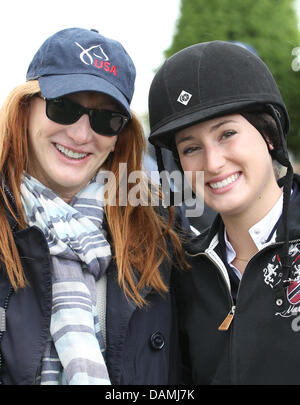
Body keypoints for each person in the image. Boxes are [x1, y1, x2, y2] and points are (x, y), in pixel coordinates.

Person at [0, 27, 186, 385]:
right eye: (64, 107)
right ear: (25, 109)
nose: (82, 135)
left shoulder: (161, 234)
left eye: (106, 119)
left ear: (119, 137)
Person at [148, 40, 300, 385]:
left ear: (269, 135)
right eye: (191, 148)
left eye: (227, 134)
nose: (213, 163)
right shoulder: (185, 270)